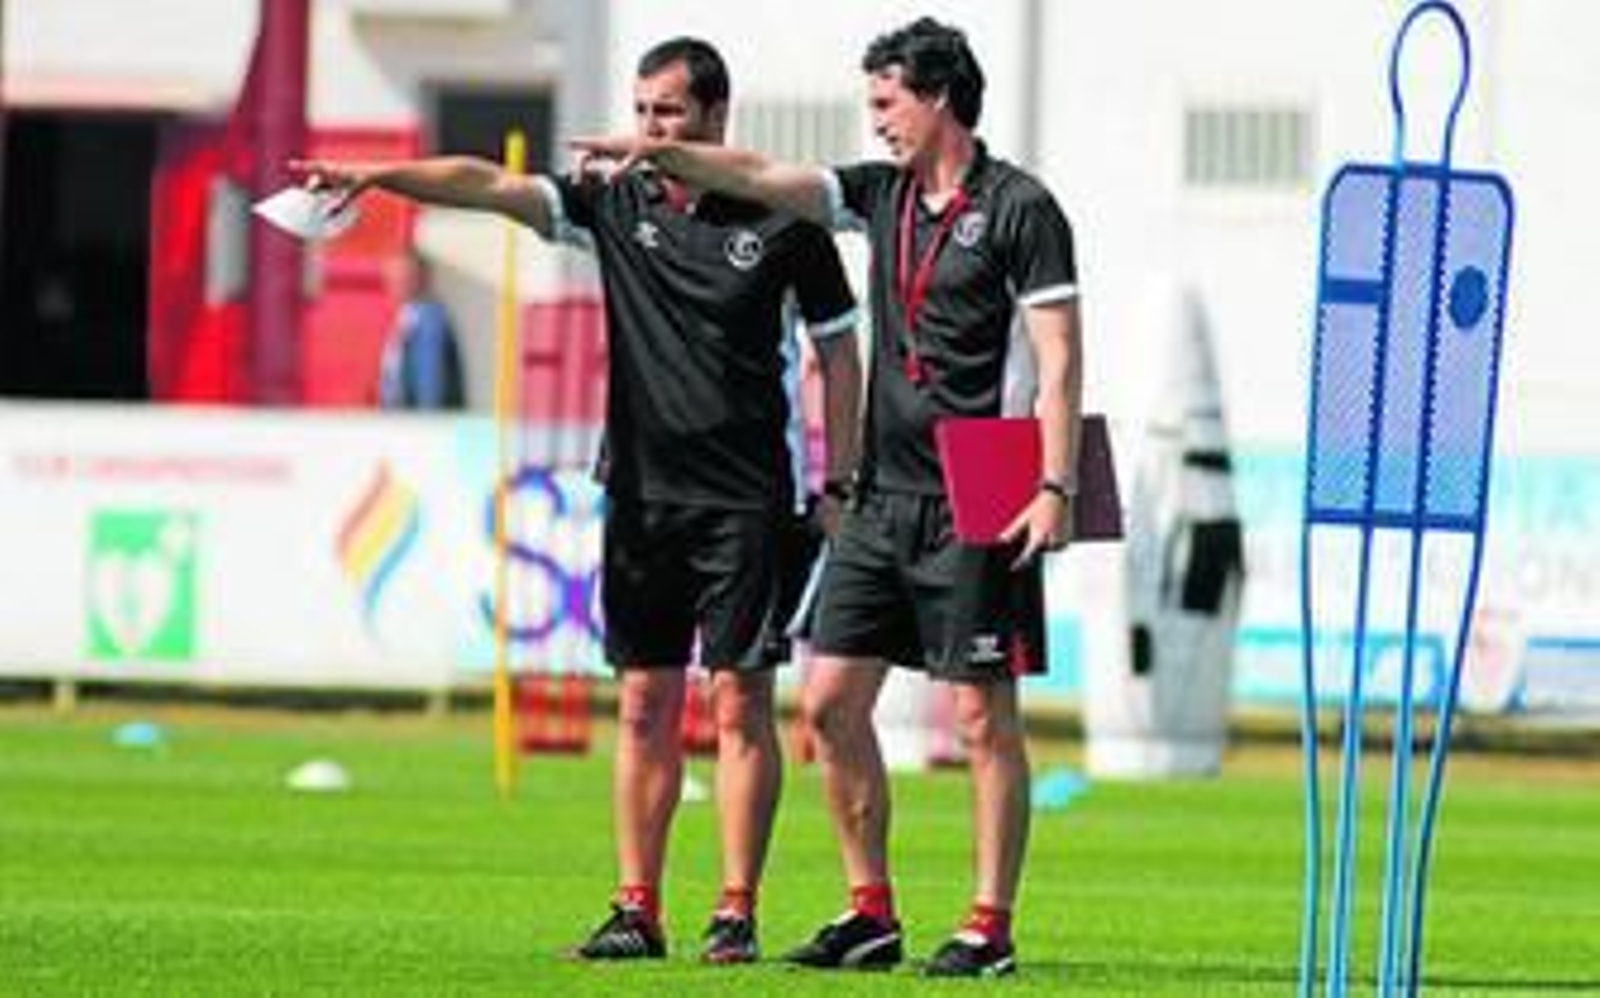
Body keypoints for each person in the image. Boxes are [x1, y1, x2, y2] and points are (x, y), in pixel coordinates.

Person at [291, 37, 862, 965]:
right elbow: (483, 182)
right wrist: (379, 175)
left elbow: (840, 350)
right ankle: (637, 909)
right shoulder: (614, 198)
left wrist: (840, 482)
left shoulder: (785, 217)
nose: (647, 130)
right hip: (639, 495)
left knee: (739, 706)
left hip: (749, 500)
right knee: (642, 704)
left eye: (667, 113)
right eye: (641, 110)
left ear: (717, 117)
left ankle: (734, 911)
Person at [572, 17, 1083, 978]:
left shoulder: (1023, 208)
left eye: (886, 103)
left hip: (986, 476)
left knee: (981, 719)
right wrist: (657, 148)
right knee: (830, 705)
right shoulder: (877, 193)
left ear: (937, 98)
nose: (877, 121)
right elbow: (768, 177)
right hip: (884, 494)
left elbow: (1059, 359)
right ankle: (871, 911)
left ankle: (988, 926)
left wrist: (1053, 483)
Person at [377, 252, 466, 410]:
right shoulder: (406, 315)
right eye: (391, 276)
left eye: (402, 278)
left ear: (422, 279)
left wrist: (426, 421)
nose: (393, 283)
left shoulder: (430, 319)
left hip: (420, 422)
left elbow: (430, 378)